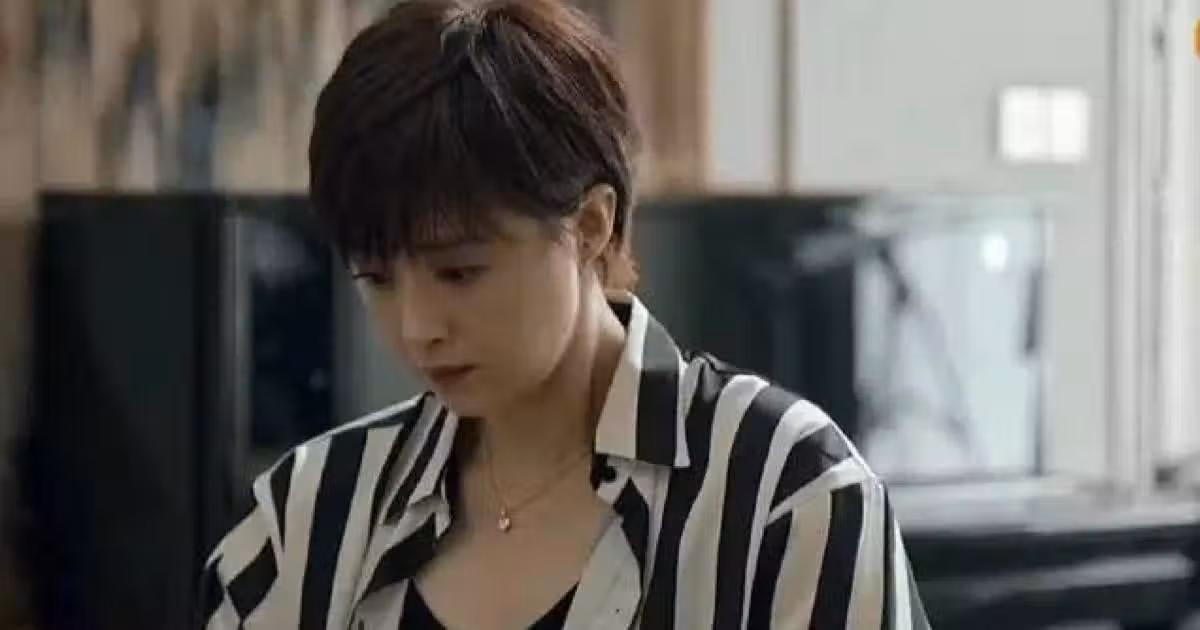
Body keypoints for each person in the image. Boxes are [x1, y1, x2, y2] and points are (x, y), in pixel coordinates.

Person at [198, 0, 929, 628]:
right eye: (377, 278)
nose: (419, 327)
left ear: (590, 226)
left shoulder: (784, 494)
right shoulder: (309, 519)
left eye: (460, 272)